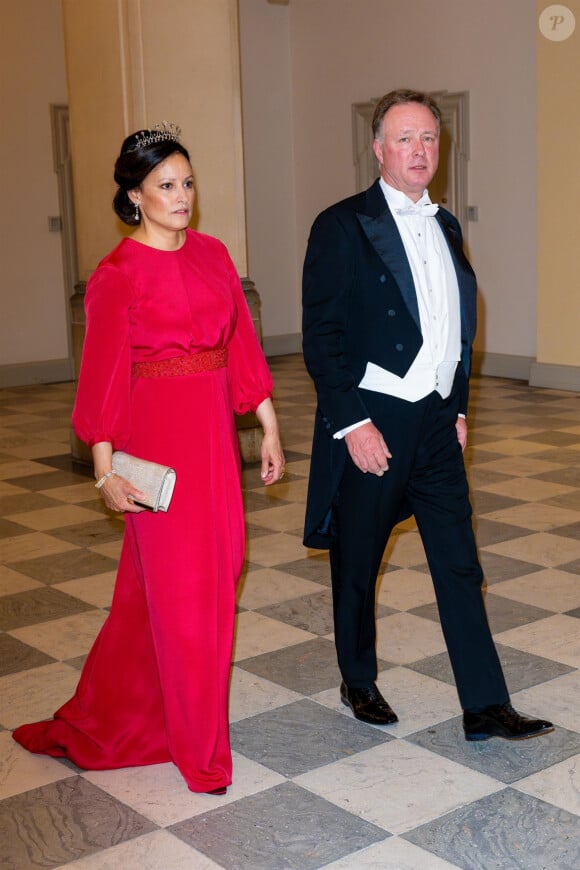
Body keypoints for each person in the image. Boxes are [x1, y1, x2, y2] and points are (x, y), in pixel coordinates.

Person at [13, 122, 285, 793]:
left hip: (215, 448)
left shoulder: (215, 255)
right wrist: (106, 470)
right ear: (134, 196)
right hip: (157, 450)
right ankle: (201, 756)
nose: (181, 195)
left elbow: (241, 349)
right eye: (166, 185)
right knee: (191, 599)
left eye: (187, 182)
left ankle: (110, 714)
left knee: (180, 589)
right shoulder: (116, 275)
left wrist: (269, 426)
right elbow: (102, 378)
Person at [302, 90, 553, 741]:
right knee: (358, 560)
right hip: (374, 419)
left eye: (429, 139)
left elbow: (454, 326)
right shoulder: (342, 224)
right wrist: (351, 424)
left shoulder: (445, 224)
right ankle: (358, 679)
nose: (420, 151)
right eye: (405, 138)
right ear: (379, 149)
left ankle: (485, 704)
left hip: (437, 422)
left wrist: (459, 405)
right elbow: (322, 337)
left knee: (459, 561)